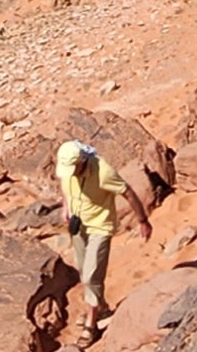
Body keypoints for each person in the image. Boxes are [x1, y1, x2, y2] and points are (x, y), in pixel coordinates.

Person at [55, 138, 151, 330]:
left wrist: (142, 220)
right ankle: (102, 307)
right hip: (79, 224)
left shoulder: (103, 172)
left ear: (81, 162)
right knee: (84, 271)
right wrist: (66, 206)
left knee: (91, 275)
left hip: (100, 226)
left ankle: (91, 322)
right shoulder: (68, 169)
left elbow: (128, 193)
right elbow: (64, 183)